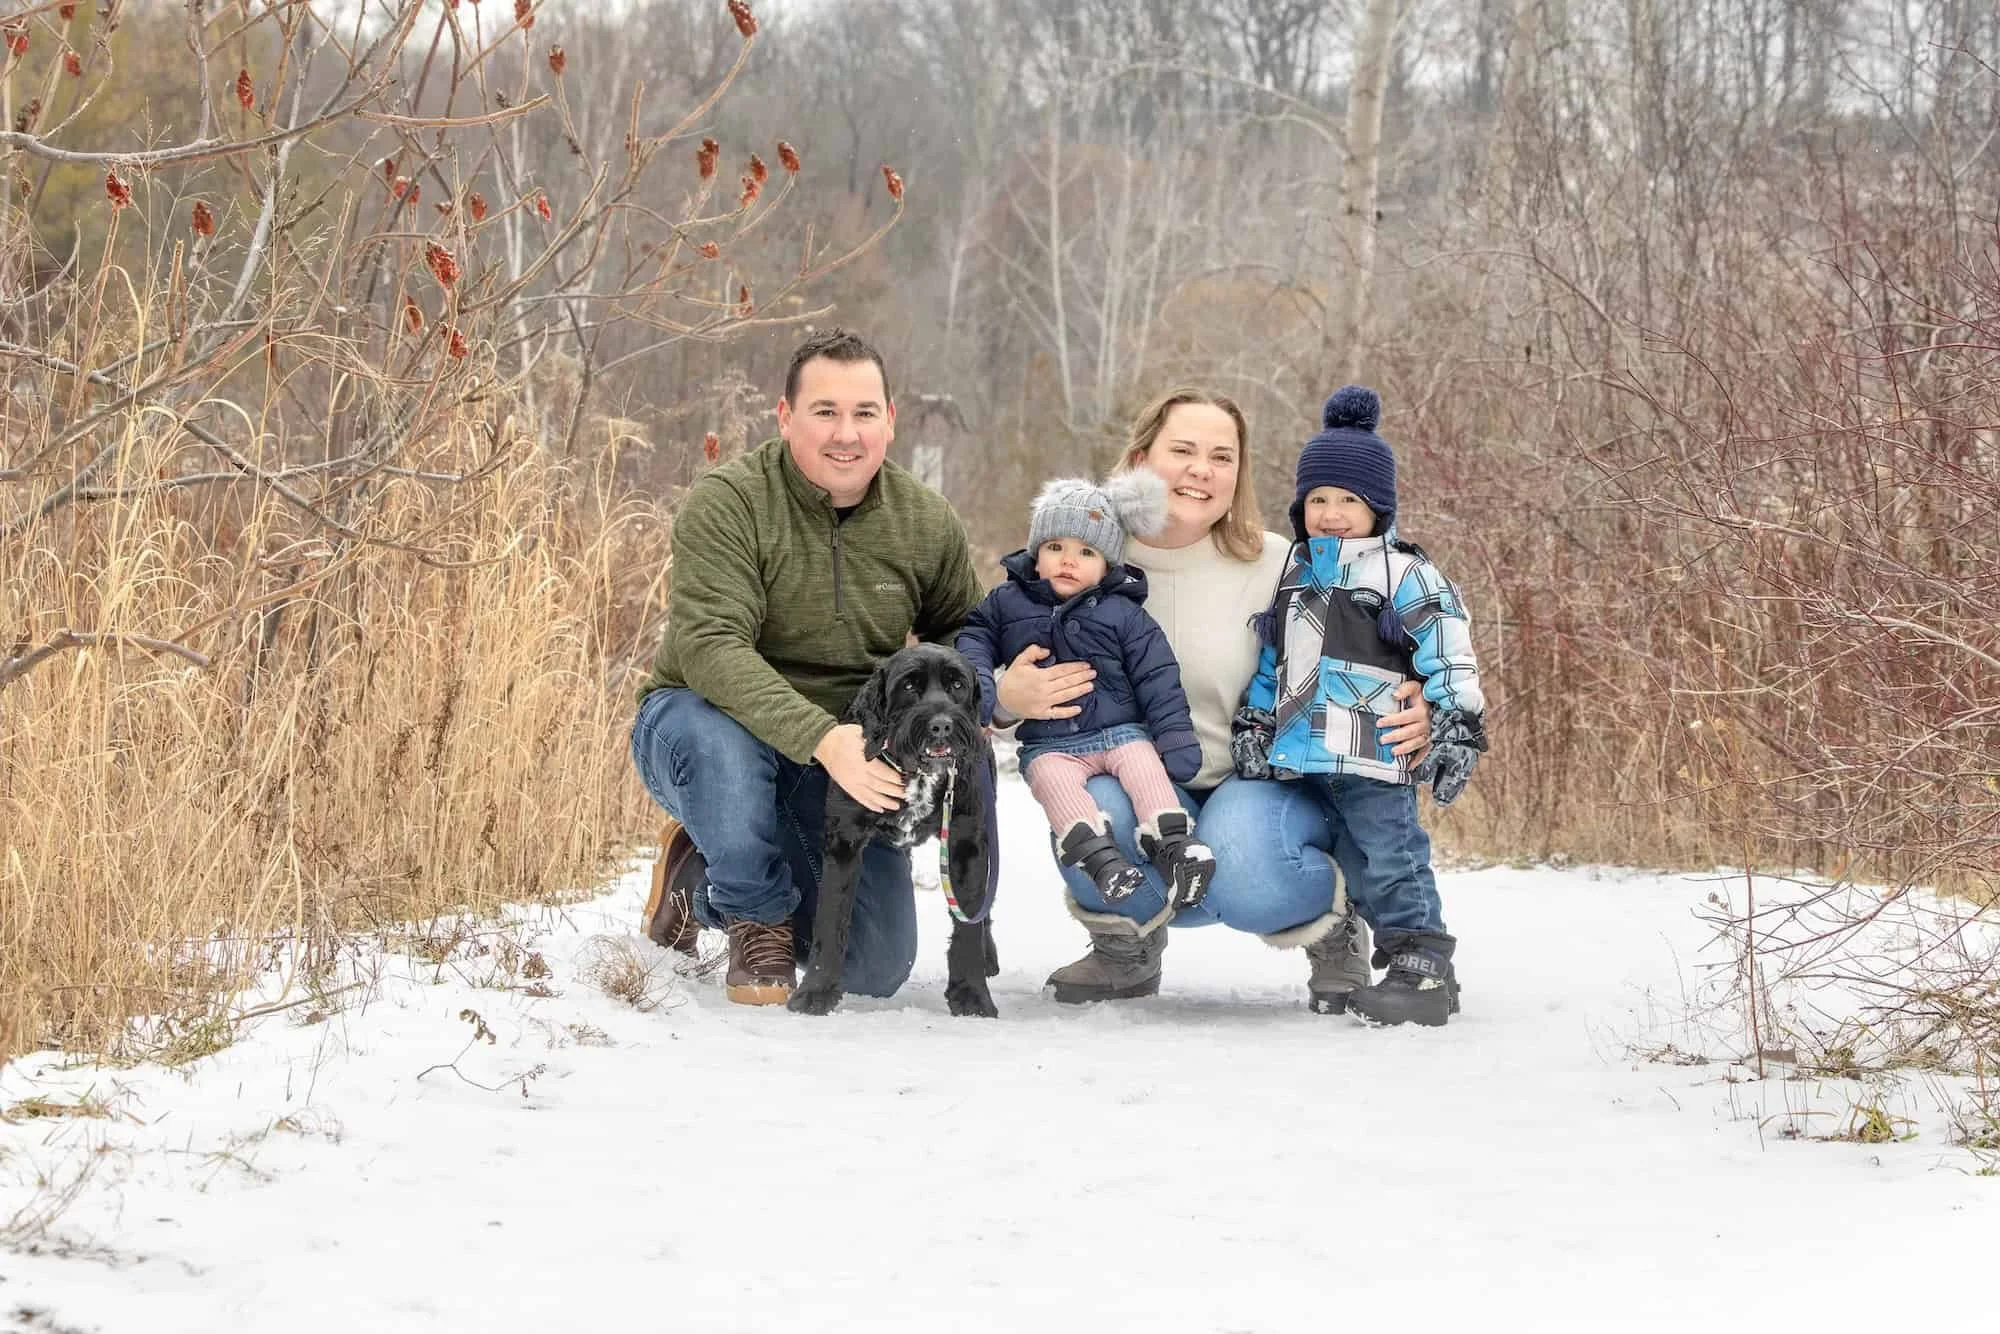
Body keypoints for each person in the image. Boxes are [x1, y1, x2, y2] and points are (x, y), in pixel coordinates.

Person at [993, 388, 1434, 1008]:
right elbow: (991, 646)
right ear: (1142, 458)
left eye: (1222, 456)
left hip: (1255, 780)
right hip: (1129, 774)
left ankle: (1334, 927)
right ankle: (1125, 947)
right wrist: (1004, 699)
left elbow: (1397, 624)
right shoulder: (1082, 556)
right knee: (1095, 810)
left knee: (1241, 862)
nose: (1202, 470)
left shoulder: (1280, 563)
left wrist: (1423, 701)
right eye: (1183, 450)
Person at [630, 329, 986, 1005]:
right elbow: (711, 647)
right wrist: (824, 739)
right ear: (785, 416)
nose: (845, 434)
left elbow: (962, 632)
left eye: (863, 413)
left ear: (890, 421)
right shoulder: (730, 502)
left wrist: (996, 688)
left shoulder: (924, 520)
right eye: (825, 412)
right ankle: (754, 914)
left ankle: (699, 881)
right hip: (705, 725)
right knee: (720, 744)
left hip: (837, 760)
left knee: (874, 966)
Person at [1231, 386, 1488, 1026]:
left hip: (1375, 755)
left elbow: (1447, 650)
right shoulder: (1293, 574)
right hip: (1307, 757)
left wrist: (1456, 720)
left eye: (1350, 500)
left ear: (1378, 508)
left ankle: (1424, 966)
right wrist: (1256, 721)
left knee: (1392, 859)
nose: (1333, 513)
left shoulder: (1405, 574)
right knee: (1352, 868)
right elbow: (1274, 661)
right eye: (1318, 499)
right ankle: (1393, 964)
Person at [955, 471, 1217, 911]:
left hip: (1121, 733)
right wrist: (984, 686)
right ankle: (1100, 860)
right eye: (1055, 547)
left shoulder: (1125, 615)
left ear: (1108, 564)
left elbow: (1158, 677)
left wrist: (1174, 737)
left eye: (1085, 551)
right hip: (1050, 746)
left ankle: (1174, 845)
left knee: (1144, 768)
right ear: (1036, 555)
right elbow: (974, 637)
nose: (1068, 560)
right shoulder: (1006, 603)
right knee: (1051, 783)